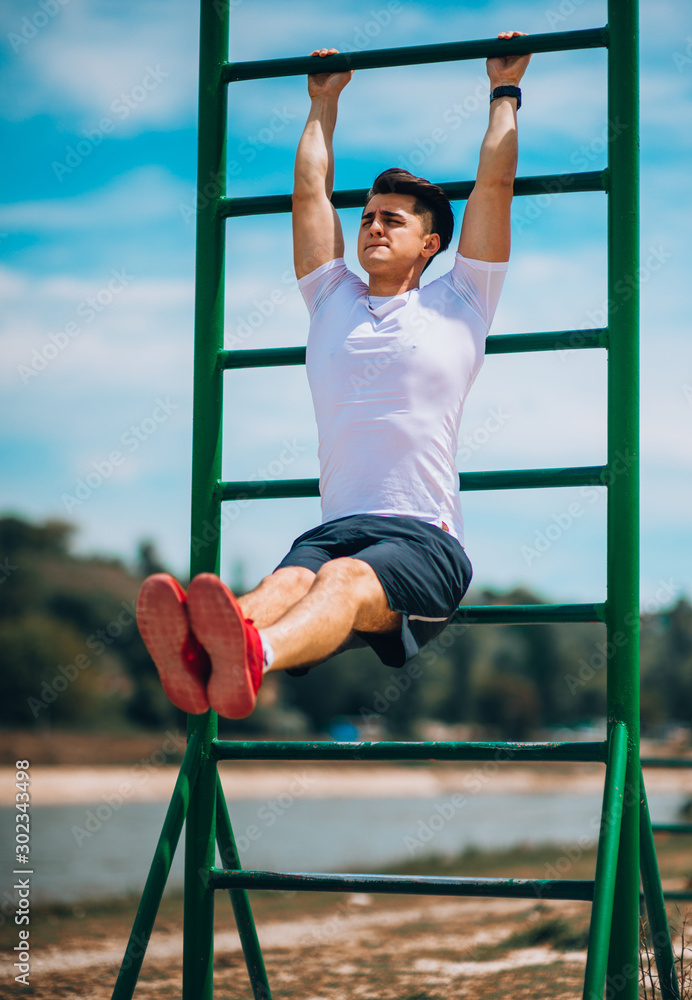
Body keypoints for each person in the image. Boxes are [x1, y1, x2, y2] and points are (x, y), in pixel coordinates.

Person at [136, 33, 532, 720]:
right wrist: (322, 101)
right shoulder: (331, 297)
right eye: (368, 217)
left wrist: (504, 91)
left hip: (423, 541)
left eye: (392, 220)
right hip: (336, 525)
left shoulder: (462, 298)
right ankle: (210, 651)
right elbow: (308, 192)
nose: (373, 227)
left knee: (343, 578)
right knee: (288, 577)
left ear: (431, 242)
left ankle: (250, 657)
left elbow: (493, 185)